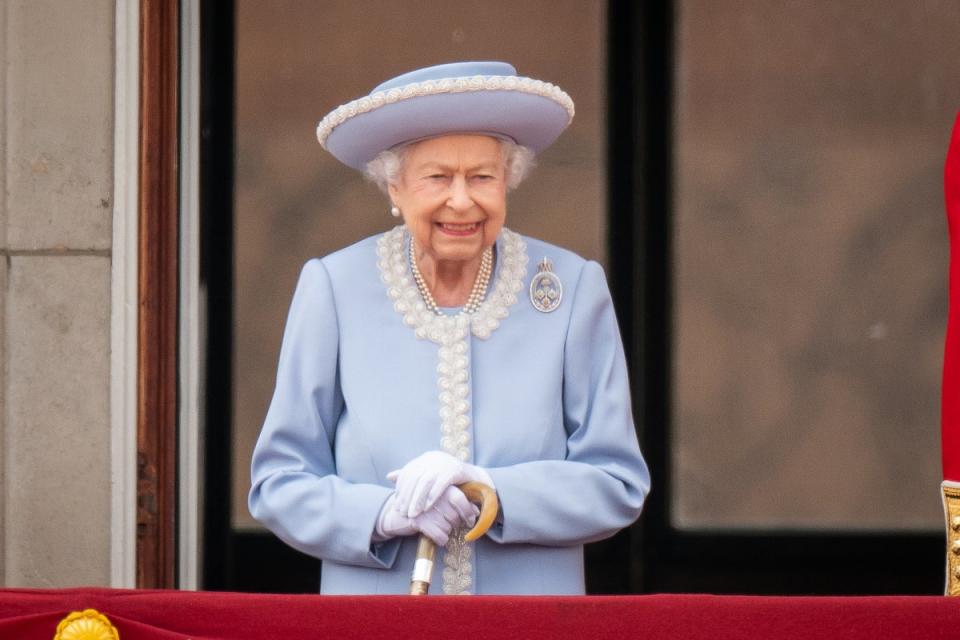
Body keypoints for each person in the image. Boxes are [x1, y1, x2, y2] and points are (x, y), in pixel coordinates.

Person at [248, 61, 650, 595]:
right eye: (437, 177)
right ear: (394, 185)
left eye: (482, 177)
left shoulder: (572, 288)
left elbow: (616, 483)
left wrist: (493, 490)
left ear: (507, 182)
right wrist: (382, 514)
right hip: (377, 623)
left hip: (526, 624)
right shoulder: (334, 288)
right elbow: (277, 483)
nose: (461, 200)